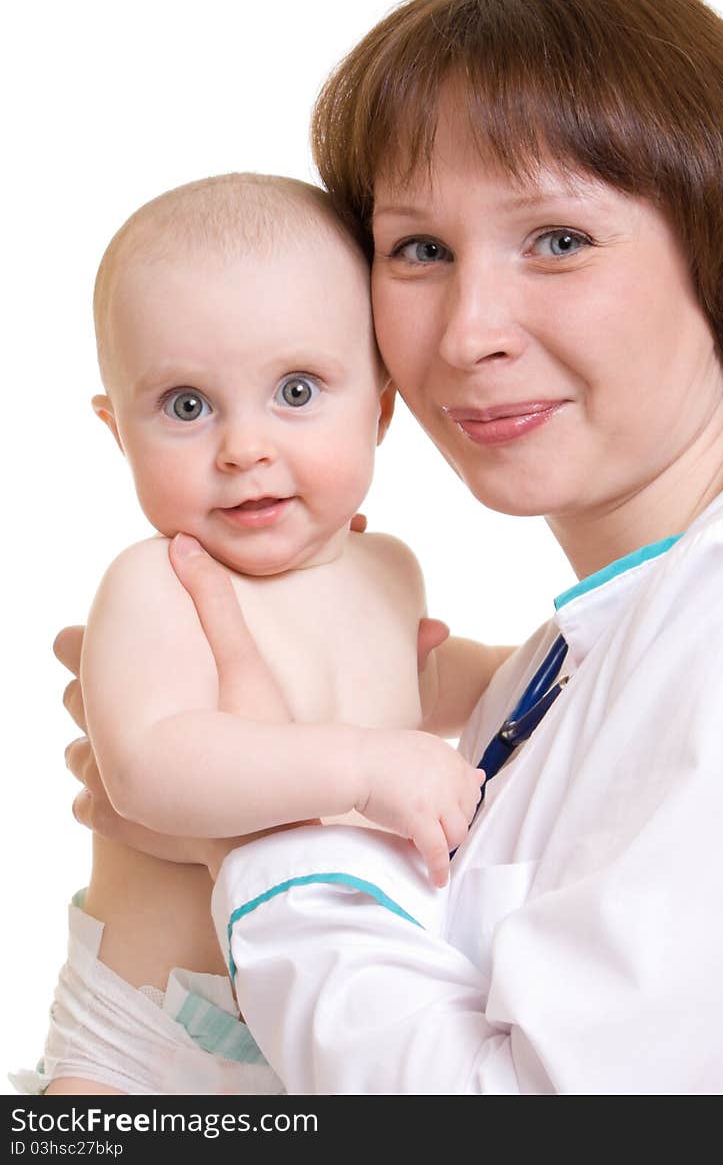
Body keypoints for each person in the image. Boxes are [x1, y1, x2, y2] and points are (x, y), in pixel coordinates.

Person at [59, 0, 723, 1094]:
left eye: (557, 239)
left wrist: (256, 834)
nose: (467, 331)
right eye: (420, 251)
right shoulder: (593, 639)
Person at [18, 173, 491, 1097]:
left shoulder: (387, 569)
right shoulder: (158, 586)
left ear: (382, 408)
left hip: (314, 1041)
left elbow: (421, 681)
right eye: (187, 406)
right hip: (141, 1044)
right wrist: (364, 766)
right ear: (118, 433)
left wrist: (549, 657)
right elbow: (152, 765)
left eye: (297, 390)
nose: (243, 447)